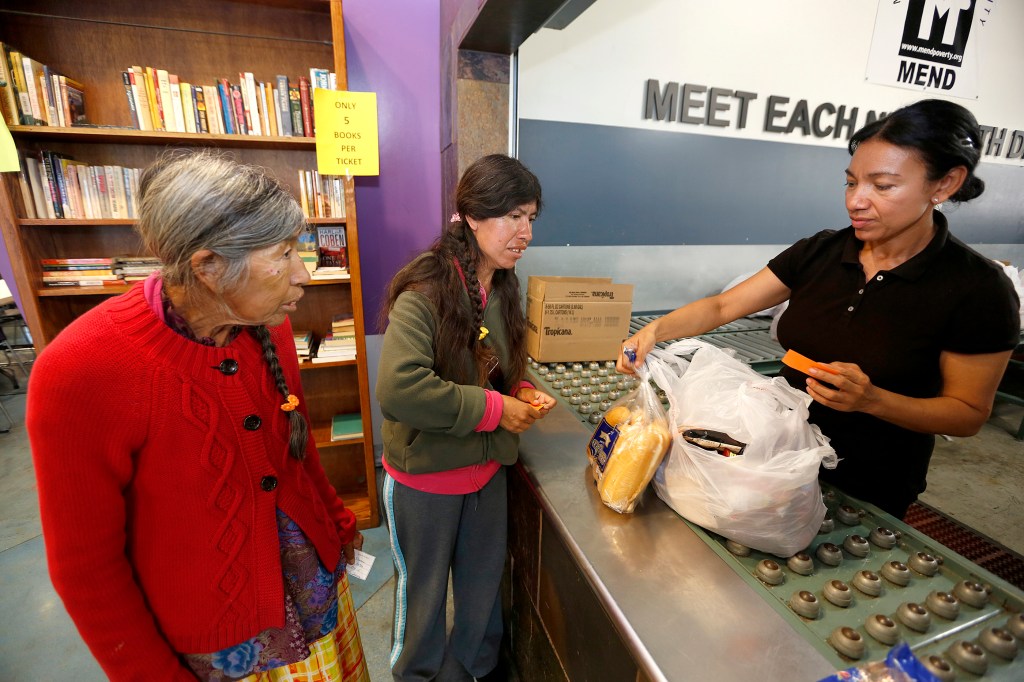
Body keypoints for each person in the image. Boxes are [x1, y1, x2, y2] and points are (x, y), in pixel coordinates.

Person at [27, 152, 369, 681]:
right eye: (284, 254)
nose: (304, 274)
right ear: (208, 266)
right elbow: (86, 568)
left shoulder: (267, 324)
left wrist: (338, 522)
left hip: (314, 589)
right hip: (222, 640)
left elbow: (295, 450)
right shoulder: (82, 369)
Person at [619, 99, 1020, 519]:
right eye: (851, 183)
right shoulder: (822, 252)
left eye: (882, 187)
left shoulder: (977, 288)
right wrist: (655, 331)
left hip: (867, 485)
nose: (856, 201)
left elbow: (968, 413)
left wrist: (873, 400)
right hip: (770, 463)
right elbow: (724, 305)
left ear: (945, 184)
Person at [376, 153, 556, 681]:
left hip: (486, 475)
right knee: (423, 601)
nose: (524, 232)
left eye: (531, 218)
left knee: (481, 595)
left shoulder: (501, 286)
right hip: (425, 479)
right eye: (512, 216)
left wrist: (519, 387)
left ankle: (471, 673)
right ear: (472, 216)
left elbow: (495, 368)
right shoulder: (425, 290)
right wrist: (497, 408)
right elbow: (400, 390)